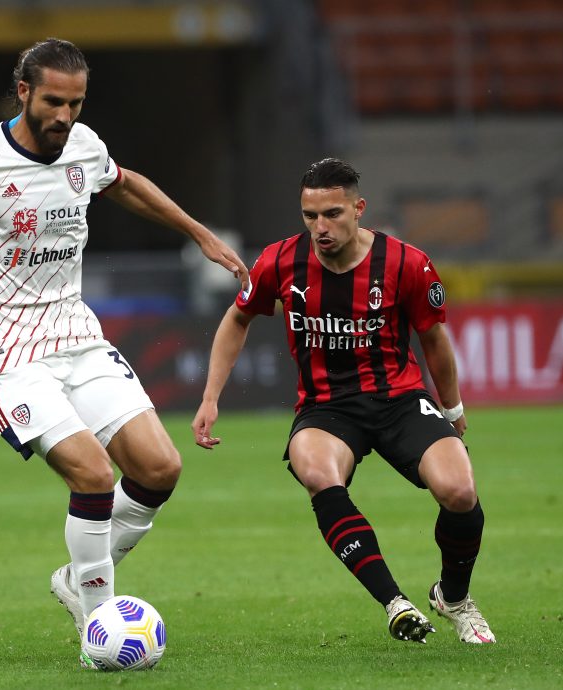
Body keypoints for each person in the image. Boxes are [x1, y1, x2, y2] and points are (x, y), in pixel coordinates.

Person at [0, 38, 248, 666]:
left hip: (77, 335)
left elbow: (125, 185)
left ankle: (79, 577)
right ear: (24, 93)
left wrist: (197, 232)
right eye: (53, 102)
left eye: (76, 103)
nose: (64, 116)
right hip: (5, 350)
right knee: (92, 474)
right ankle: (100, 624)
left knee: (159, 469)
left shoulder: (84, 146)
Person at [192, 158, 495, 645]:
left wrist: (452, 409)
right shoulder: (279, 261)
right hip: (326, 408)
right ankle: (395, 602)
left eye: (332, 214)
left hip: (399, 398)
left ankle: (453, 598)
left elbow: (434, 340)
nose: (320, 227)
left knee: (459, 491)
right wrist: (211, 398)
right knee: (316, 472)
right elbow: (237, 318)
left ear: (359, 209)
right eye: (310, 216)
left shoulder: (406, 263)